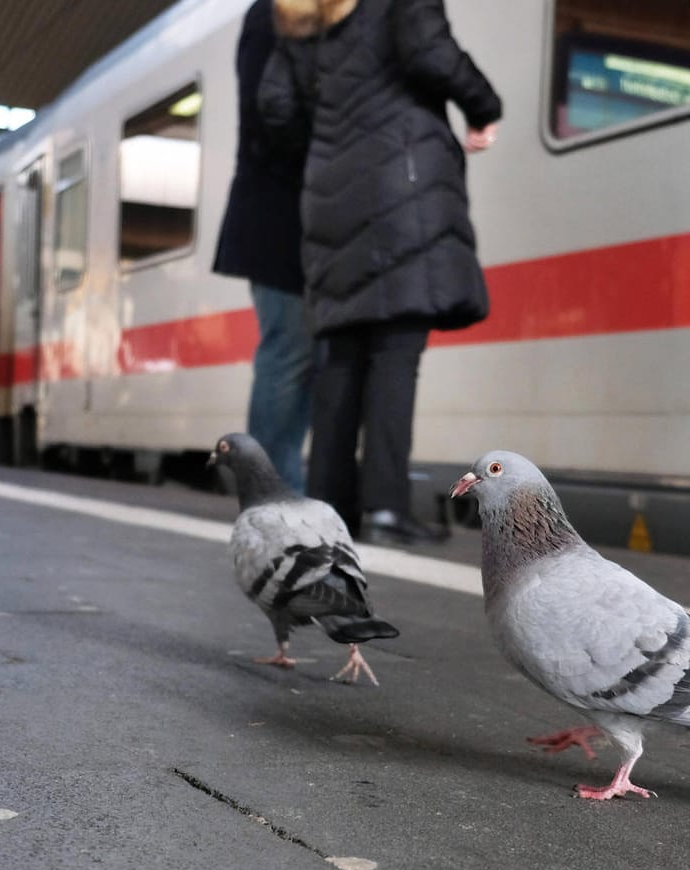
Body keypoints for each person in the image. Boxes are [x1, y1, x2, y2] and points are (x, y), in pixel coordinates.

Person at [261, 0, 501, 544]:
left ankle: (331, 511)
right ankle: (386, 509)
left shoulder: (301, 17)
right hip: (401, 188)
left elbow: (274, 105)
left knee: (342, 355)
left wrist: (329, 146)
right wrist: (484, 107)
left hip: (329, 195)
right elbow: (431, 53)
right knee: (396, 352)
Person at [212, 0, 314, 492]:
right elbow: (269, 115)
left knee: (296, 358)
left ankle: (278, 486)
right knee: (288, 354)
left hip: (295, 218)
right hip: (279, 220)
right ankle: (270, 489)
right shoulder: (269, 16)